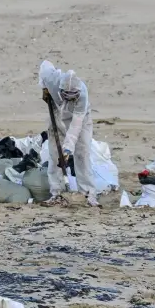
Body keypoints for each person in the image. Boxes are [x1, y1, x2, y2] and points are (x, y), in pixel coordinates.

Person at [37, 60, 99, 207]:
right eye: (68, 96)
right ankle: (56, 193)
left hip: (80, 119)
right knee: (54, 154)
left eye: (74, 97)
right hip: (57, 112)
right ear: (61, 90)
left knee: (82, 153)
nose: (72, 99)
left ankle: (87, 194)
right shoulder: (52, 79)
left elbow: (76, 125)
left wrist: (67, 150)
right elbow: (45, 64)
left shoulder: (82, 95)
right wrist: (44, 87)